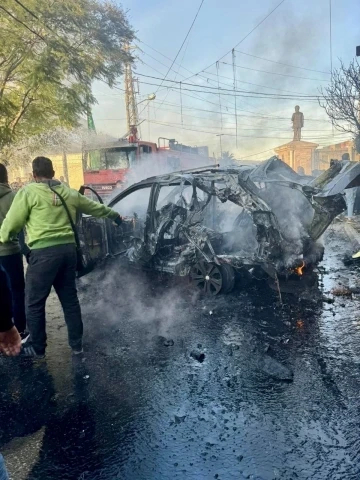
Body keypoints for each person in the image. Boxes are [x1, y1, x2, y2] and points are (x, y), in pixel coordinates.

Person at [0, 156, 123, 358]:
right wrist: (115, 216)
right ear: (54, 173)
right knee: (70, 300)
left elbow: (12, 224)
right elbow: (94, 207)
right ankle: (76, 345)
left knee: (34, 302)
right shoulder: (68, 192)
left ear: (34, 174)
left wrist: (4, 237)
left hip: (43, 255)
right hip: (68, 253)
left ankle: (38, 347)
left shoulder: (28, 192)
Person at [0, 164, 27, 337]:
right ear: (5, 177)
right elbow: (21, 228)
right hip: (10, 252)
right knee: (17, 291)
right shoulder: (14, 197)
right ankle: (20, 330)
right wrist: (26, 250)